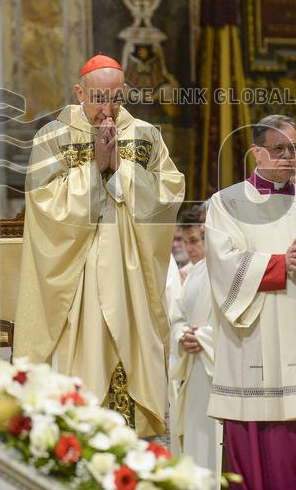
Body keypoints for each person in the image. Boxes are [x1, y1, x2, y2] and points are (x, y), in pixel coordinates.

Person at [14, 54, 184, 436]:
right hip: (77, 272)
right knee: (81, 358)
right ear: (79, 92)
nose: (107, 109)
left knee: (131, 353)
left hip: (131, 275)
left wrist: (119, 171)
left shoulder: (145, 135)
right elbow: (42, 203)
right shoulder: (53, 136)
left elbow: (169, 194)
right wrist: (94, 171)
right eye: (97, 98)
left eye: (116, 99)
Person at [205, 115, 296, 489]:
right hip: (255, 343)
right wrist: (281, 264)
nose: (288, 156)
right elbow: (223, 264)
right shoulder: (227, 203)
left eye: (294, 149)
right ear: (256, 153)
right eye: (278, 149)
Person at [167, 206, 219, 471]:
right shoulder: (194, 274)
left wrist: (205, 337)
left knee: (214, 447)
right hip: (196, 368)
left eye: (195, 241)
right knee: (197, 444)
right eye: (185, 242)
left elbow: (239, 319)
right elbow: (177, 317)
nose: (189, 249)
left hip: (218, 370)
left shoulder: (226, 270)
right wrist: (182, 336)